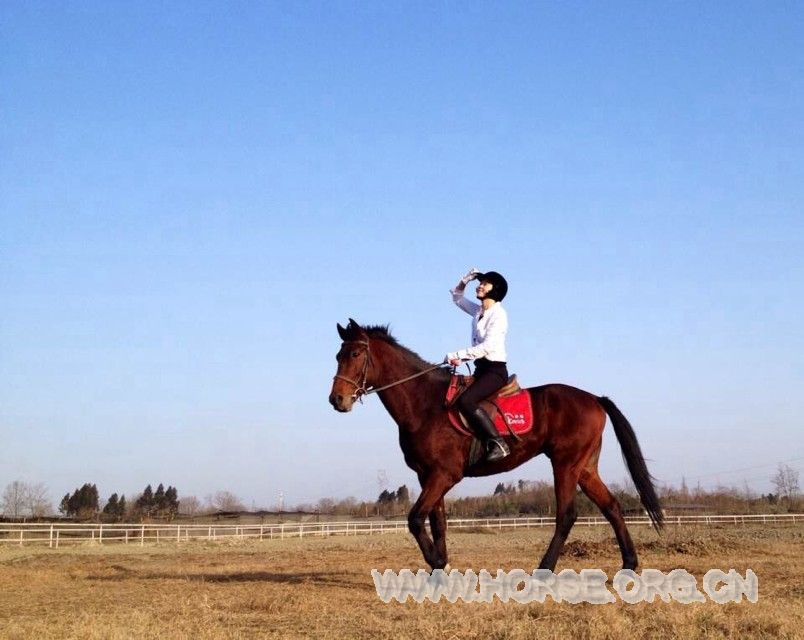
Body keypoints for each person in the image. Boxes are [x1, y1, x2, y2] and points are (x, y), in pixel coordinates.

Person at [446, 268, 511, 462]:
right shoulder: (479, 311)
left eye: (485, 283)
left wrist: (459, 354)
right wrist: (465, 279)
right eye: (480, 283)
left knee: (466, 401)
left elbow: (488, 347)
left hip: (495, 371)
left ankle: (498, 443)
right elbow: (457, 298)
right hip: (480, 369)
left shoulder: (498, 315)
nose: (480, 285)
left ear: (495, 289)